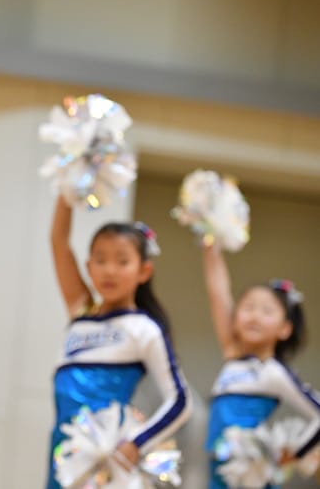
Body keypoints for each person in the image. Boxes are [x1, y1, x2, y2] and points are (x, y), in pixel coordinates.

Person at [48, 196, 191, 488]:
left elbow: (180, 400)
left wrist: (137, 442)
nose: (110, 270)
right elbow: (58, 242)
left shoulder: (144, 328)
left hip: (110, 461)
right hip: (64, 452)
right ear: (88, 267)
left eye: (122, 261)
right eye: (100, 260)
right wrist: (68, 185)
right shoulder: (81, 312)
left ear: (143, 271)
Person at [202, 244, 320, 488]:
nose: (254, 316)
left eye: (267, 311)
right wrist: (211, 248)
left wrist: (297, 451)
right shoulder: (233, 356)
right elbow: (218, 294)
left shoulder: (273, 372)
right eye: (247, 308)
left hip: (251, 474)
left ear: (285, 328)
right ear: (234, 320)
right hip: (218, 467)